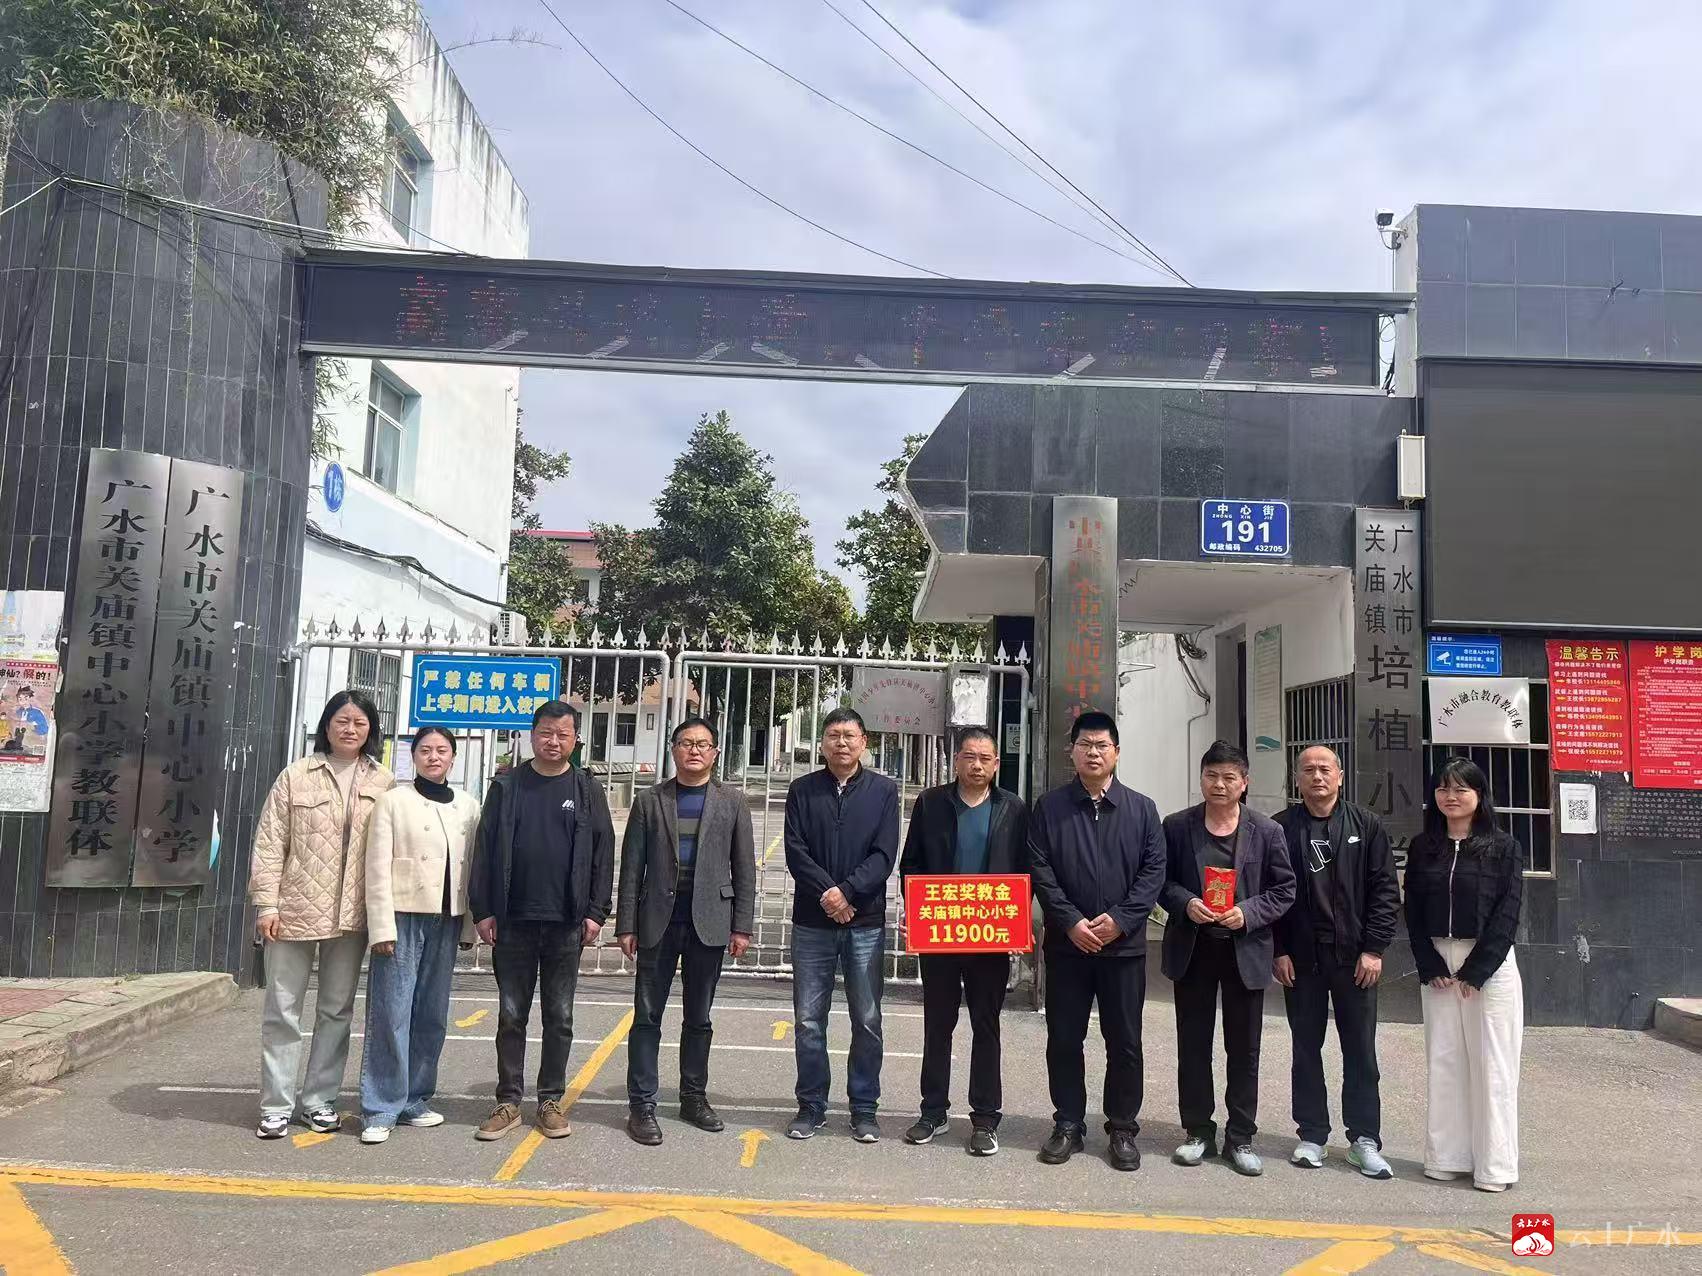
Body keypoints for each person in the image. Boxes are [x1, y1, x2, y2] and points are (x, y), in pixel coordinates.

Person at [248, 690, 394, 1139]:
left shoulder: (385, 782)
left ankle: (319, 1100)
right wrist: (267, 904)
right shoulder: (296, 776)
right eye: (342, 721)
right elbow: (269, 843)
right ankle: (276, 1105)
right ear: (327, 726)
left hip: (351, 916)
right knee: (282, 1010)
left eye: (359, 723)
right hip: (292, 911)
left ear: (371, 730)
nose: (350, 729)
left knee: (336, 1011)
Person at [468, 701, 615, 1142]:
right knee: (511, 1015)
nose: (553, 741)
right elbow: (484, 850)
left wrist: (596, 911)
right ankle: (508, 1101)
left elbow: (603, 852)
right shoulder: (507, 786)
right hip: (513, 920)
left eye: (563, 734)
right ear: (532, 735)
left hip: (565, 923)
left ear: (575, 739)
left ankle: (550, 1100)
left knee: (559, 1015)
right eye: (546, 733)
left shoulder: (586, 789)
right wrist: (483, 909)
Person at [1028, 710, 1165, 1171]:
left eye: (1102, 745)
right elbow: (1040, 869)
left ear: (1116, 753)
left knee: (1124, 1041)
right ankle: (1068, 1123)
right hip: (1068, 948)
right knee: (1065, 1038)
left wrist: (1121, 921)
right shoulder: (1049, 808)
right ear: (1072, 751)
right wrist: (1070, 922)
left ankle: (1122, 1127)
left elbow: (1153, 872)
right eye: (1085, 744)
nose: (1093, 752)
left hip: (1123, 950)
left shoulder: (1142, 809)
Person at [617, 717, 757, 1145]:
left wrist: (742, 926)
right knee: (647, 1017)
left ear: (715, 752)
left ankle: (693, 1098)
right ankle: (642, 1105)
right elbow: (632, 868)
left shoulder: (733, 802)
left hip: (709, 923)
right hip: (657, 921)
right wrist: (626, 924)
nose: (694, 750)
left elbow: (744, 868)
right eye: (686, 743)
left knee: (699, 1017)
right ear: (673, 749)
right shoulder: (649, 801)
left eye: (703, 744)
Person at [1160, 740, 1296, 1177]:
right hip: (1194, 948)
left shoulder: (1266, 831)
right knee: (1193, 1045)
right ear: (1201, 779)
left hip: (1245, 950)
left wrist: (1248, 912)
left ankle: (1240, 1137)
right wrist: (1186, 902)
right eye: (1211, 776)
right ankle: (1197, 1131)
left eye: (1228, 777)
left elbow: (1284, 889)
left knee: (1244, 1049)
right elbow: (1159, 880)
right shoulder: (1177, 826)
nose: (1219, 784)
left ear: (1244, 782)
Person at [897, 726, 1029, 1156]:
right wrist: (917, 912)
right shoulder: (931, 803)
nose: (976, 765)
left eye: (985, 758)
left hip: (989, 938)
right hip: (941, 935)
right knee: (938, 1024)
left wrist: (1017, 920)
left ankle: (986, 1119)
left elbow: (1025, 871)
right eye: (969, 756)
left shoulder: (1012, 808)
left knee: (986, 1026)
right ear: (956, 760)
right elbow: (911, 864)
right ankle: (932, 1111)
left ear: (996, 764)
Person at [1273, 745, 1400, 1179]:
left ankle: (1364, 1139)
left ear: (1340, 776)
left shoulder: (1366, 825)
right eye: (1308, 770)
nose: (1317, 777)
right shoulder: (1281, 828)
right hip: (1301, 959)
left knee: (1360, 1049)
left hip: (1355, 958)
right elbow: (1270, 894)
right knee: (1305, 1048)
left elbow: (1385, 890)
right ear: (1297, 778)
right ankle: (1312, 1135)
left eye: (1325, 769)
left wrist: (1374, 948)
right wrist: (1278, 949)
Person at [1404, 757, 1524, 1193]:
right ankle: (1446, 1158)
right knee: (1445, 1061)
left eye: (1460, 789)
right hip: (1439, 963)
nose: (1450, 797)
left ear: (1479, 795)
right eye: (1442, 788)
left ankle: (1494, 1167)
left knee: (1493, 1065)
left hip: (1488, 966)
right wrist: (1429, 963)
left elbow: (1508, 911)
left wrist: (1478, 970)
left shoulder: (1503, 847)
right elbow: (1413, 909)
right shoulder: (1424, 846)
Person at [783, 708, 900, 1144]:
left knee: (866, 1019)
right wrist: (829, 895)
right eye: (833, 735)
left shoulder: (884, 791)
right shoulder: (802, 790)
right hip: (812, 922)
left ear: (864, 742)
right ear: (822, 743)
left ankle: (864, 1108)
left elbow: (884, 855)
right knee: (808, 1020)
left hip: (864, 922)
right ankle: (811, 1105)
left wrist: (847, 893)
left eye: (850, 735)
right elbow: (795, 852)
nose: (841, 743)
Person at [358, 727, 481, 1144]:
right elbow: (376, 866)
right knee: (391, 1011)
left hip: (446, 917)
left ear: (453, 758)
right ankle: (380, 1106)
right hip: (402, 915)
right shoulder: (393, 801)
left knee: (431, 1014)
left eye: (442, 750)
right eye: (425, 750)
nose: (433, 756)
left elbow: (471, 869)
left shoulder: (468, 805)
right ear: (413, 756)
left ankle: (415, 1097)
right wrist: (381, 926)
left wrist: (468, 924)